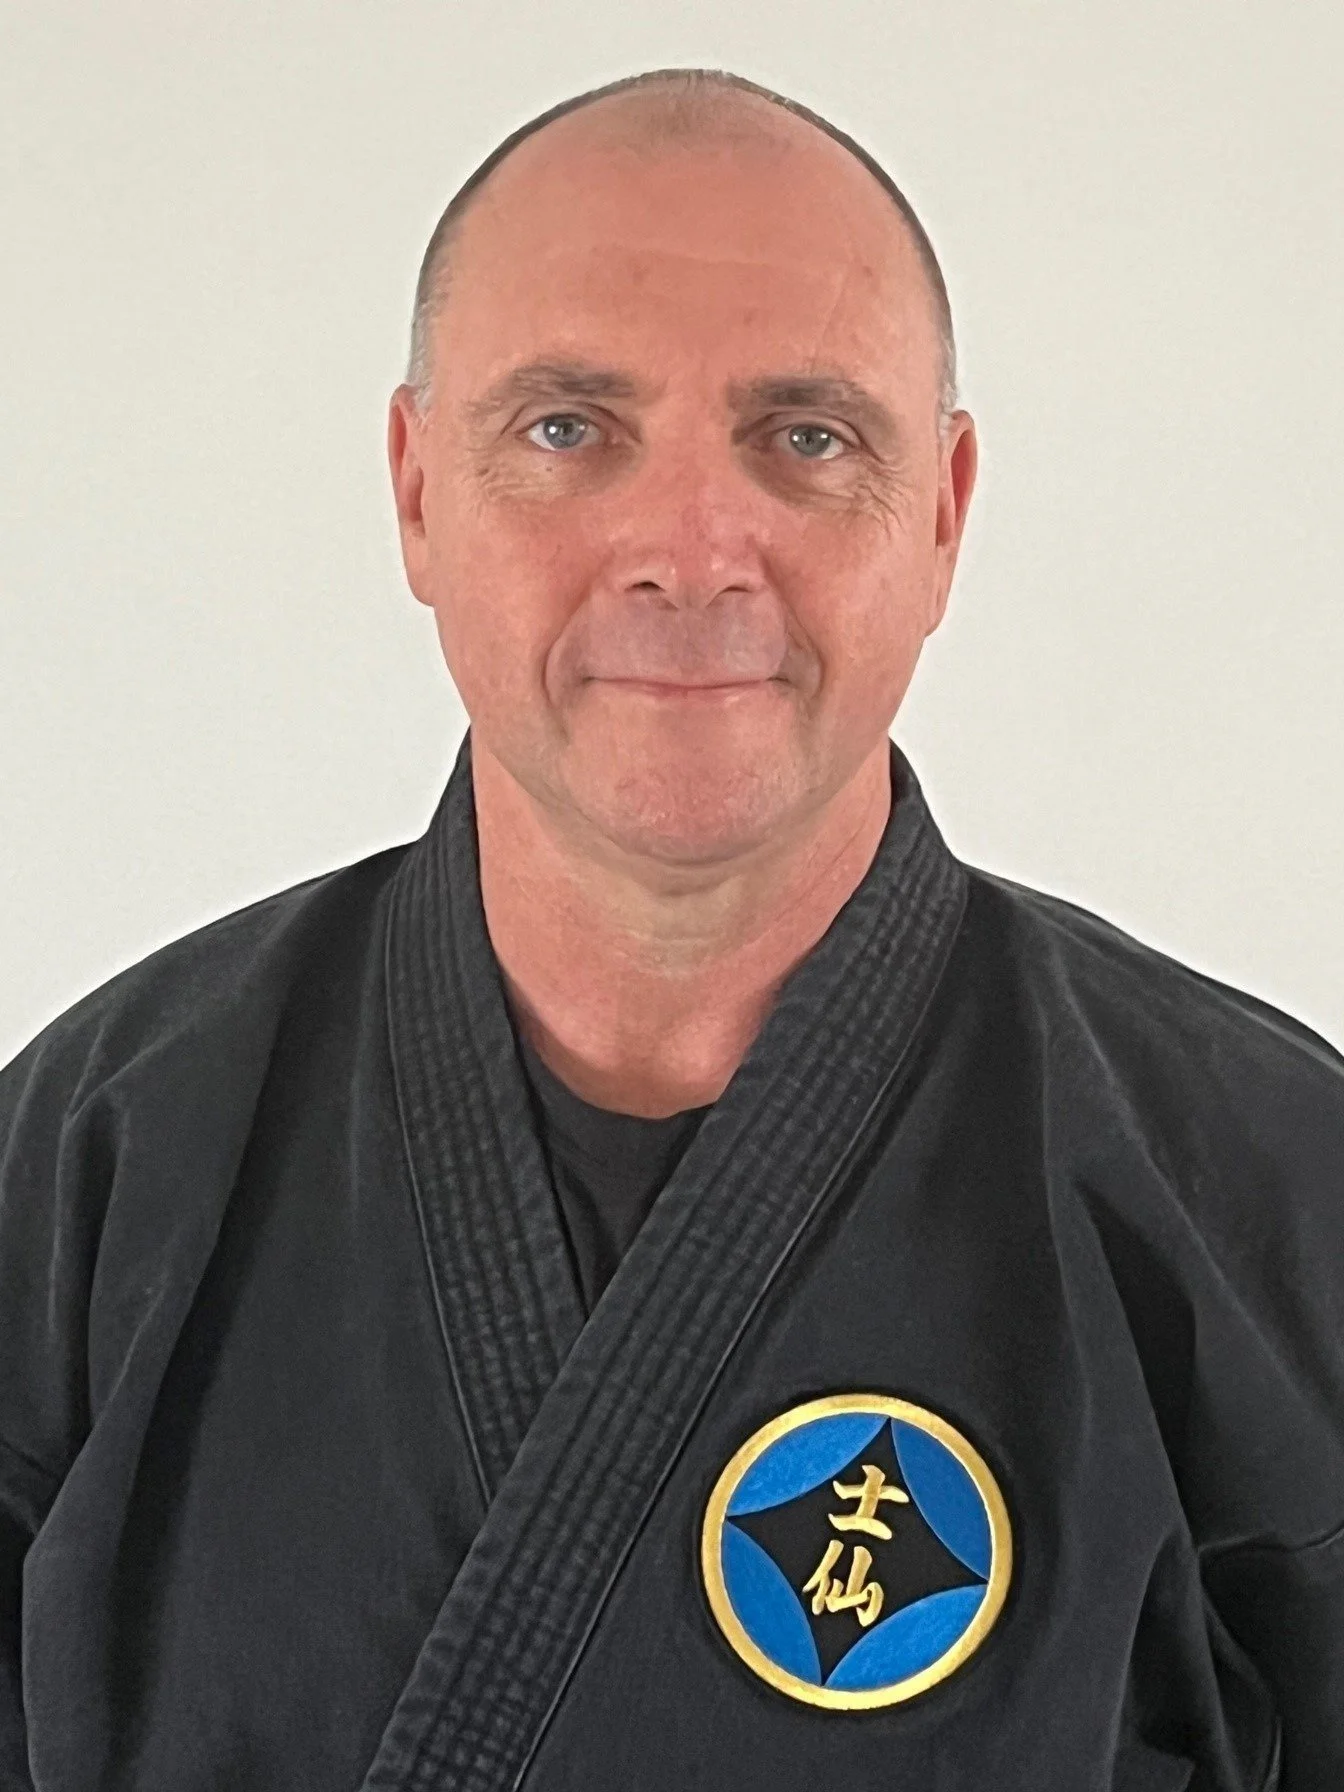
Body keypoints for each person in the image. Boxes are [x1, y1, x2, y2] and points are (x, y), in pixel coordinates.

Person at [0, 64, 1339, 1792]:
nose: (692, 549)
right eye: (569, 429)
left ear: (944, 511)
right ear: (418, 491)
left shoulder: (1267, 1189)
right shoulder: (96, 1164)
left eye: (807, 438)